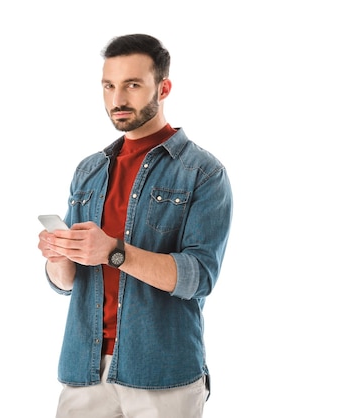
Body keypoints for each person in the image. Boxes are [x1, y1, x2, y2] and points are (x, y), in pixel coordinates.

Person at [37, 33, 233, 418]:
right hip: (84, 371)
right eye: (109, 85)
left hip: (161, 375)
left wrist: (113, 251)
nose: (118, 99)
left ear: (163, 88)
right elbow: (67, 283)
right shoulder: (89, 170)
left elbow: (199, 276)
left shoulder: (203, 172)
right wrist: (59, 255)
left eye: (132, 84)